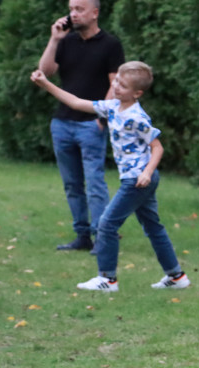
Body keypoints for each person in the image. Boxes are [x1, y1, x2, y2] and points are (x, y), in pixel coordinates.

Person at [31, 61, 189, 292]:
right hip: (136, 179)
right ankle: (176, 277)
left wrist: (146, 173)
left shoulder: (137, 117)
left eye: (123, 86)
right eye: (116, 81)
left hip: (137, 179)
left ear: (137, 93)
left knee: (106, 224)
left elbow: (158, 147)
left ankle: (107, 279)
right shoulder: (112, 107)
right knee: (153, 227)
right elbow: (76, 102)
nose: (116, 87)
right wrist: (45, 84)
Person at [38, 0, 124, 252]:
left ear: (95, 13)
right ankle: (82, 236)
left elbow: (115, 85)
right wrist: (54, 39)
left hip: (91, 125)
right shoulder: (65, 42)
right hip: (62, 123)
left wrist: (101, 118)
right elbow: (45, 73)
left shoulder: (110, 45)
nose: (73, 14)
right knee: (72, 184)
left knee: (94, 182)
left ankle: (102, 237)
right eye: (71, 9)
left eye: (79, 9)